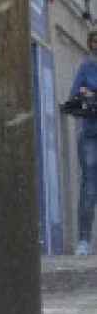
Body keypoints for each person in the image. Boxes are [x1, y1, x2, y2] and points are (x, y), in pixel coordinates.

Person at [67, 30, 97, 256]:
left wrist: (92, 93)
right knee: (89, 187)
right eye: (94, 42)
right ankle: (84, 241)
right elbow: (74, 99)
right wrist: (85, 95)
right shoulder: (86, 67)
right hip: (90, 134)